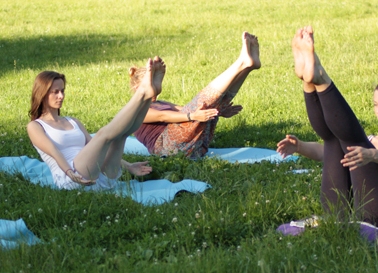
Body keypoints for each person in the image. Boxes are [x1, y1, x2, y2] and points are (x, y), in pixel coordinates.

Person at [276, 26, 378, 226]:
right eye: (375, 105)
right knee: (334, 142)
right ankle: (308, 81)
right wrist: (300, 147)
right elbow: (325, 154)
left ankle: (320, 78)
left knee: (355, 143)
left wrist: (372, 155)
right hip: (345, 210)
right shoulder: (372, 141)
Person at [27, 57, 165, 190]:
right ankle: (142, 91)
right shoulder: (36, 126)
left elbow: (98, 149)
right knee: (103, 135)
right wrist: (70, 173)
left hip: (98, 180)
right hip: (72, 179)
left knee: (121, 136)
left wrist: (129, 166)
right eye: (55, 92)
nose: (61, 96)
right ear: (42, 93)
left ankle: (148, 96)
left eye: (62, 91)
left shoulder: (72, 121)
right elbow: (55, 152)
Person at [132, 32, 260, 158]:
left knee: (206, 107)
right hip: (166, 148)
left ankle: (248, 67)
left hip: (194, 146)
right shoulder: (135, 111)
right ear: (138, 88)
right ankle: (241, 63)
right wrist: (193, 115)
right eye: (152, 83)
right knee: (200, 104)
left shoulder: (161, 103)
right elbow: (162, 116)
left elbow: (185, 109)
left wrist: (219, 111)